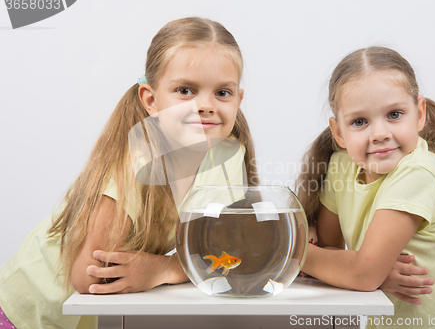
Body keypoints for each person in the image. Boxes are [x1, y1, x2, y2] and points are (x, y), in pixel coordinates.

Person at [0, 17, 258, 329]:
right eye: (186, 90)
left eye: (222, 93)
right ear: (151, 100)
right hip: (28, 312)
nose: (205, 105)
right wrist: (180, 267)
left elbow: (228, 248)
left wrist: (167, 269)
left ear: (238, 100)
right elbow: (87, 275)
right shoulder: (135, 165)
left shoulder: (227, 154)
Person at [298, 46, 435, 328]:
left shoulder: (418, 172)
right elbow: (333, 252)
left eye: (394, 114)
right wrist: (369, 274)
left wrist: (293, 252)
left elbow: (362, 274)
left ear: (419, 113)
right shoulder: (341, 167)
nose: (379, 134)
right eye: (359, 121)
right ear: (339, 132)